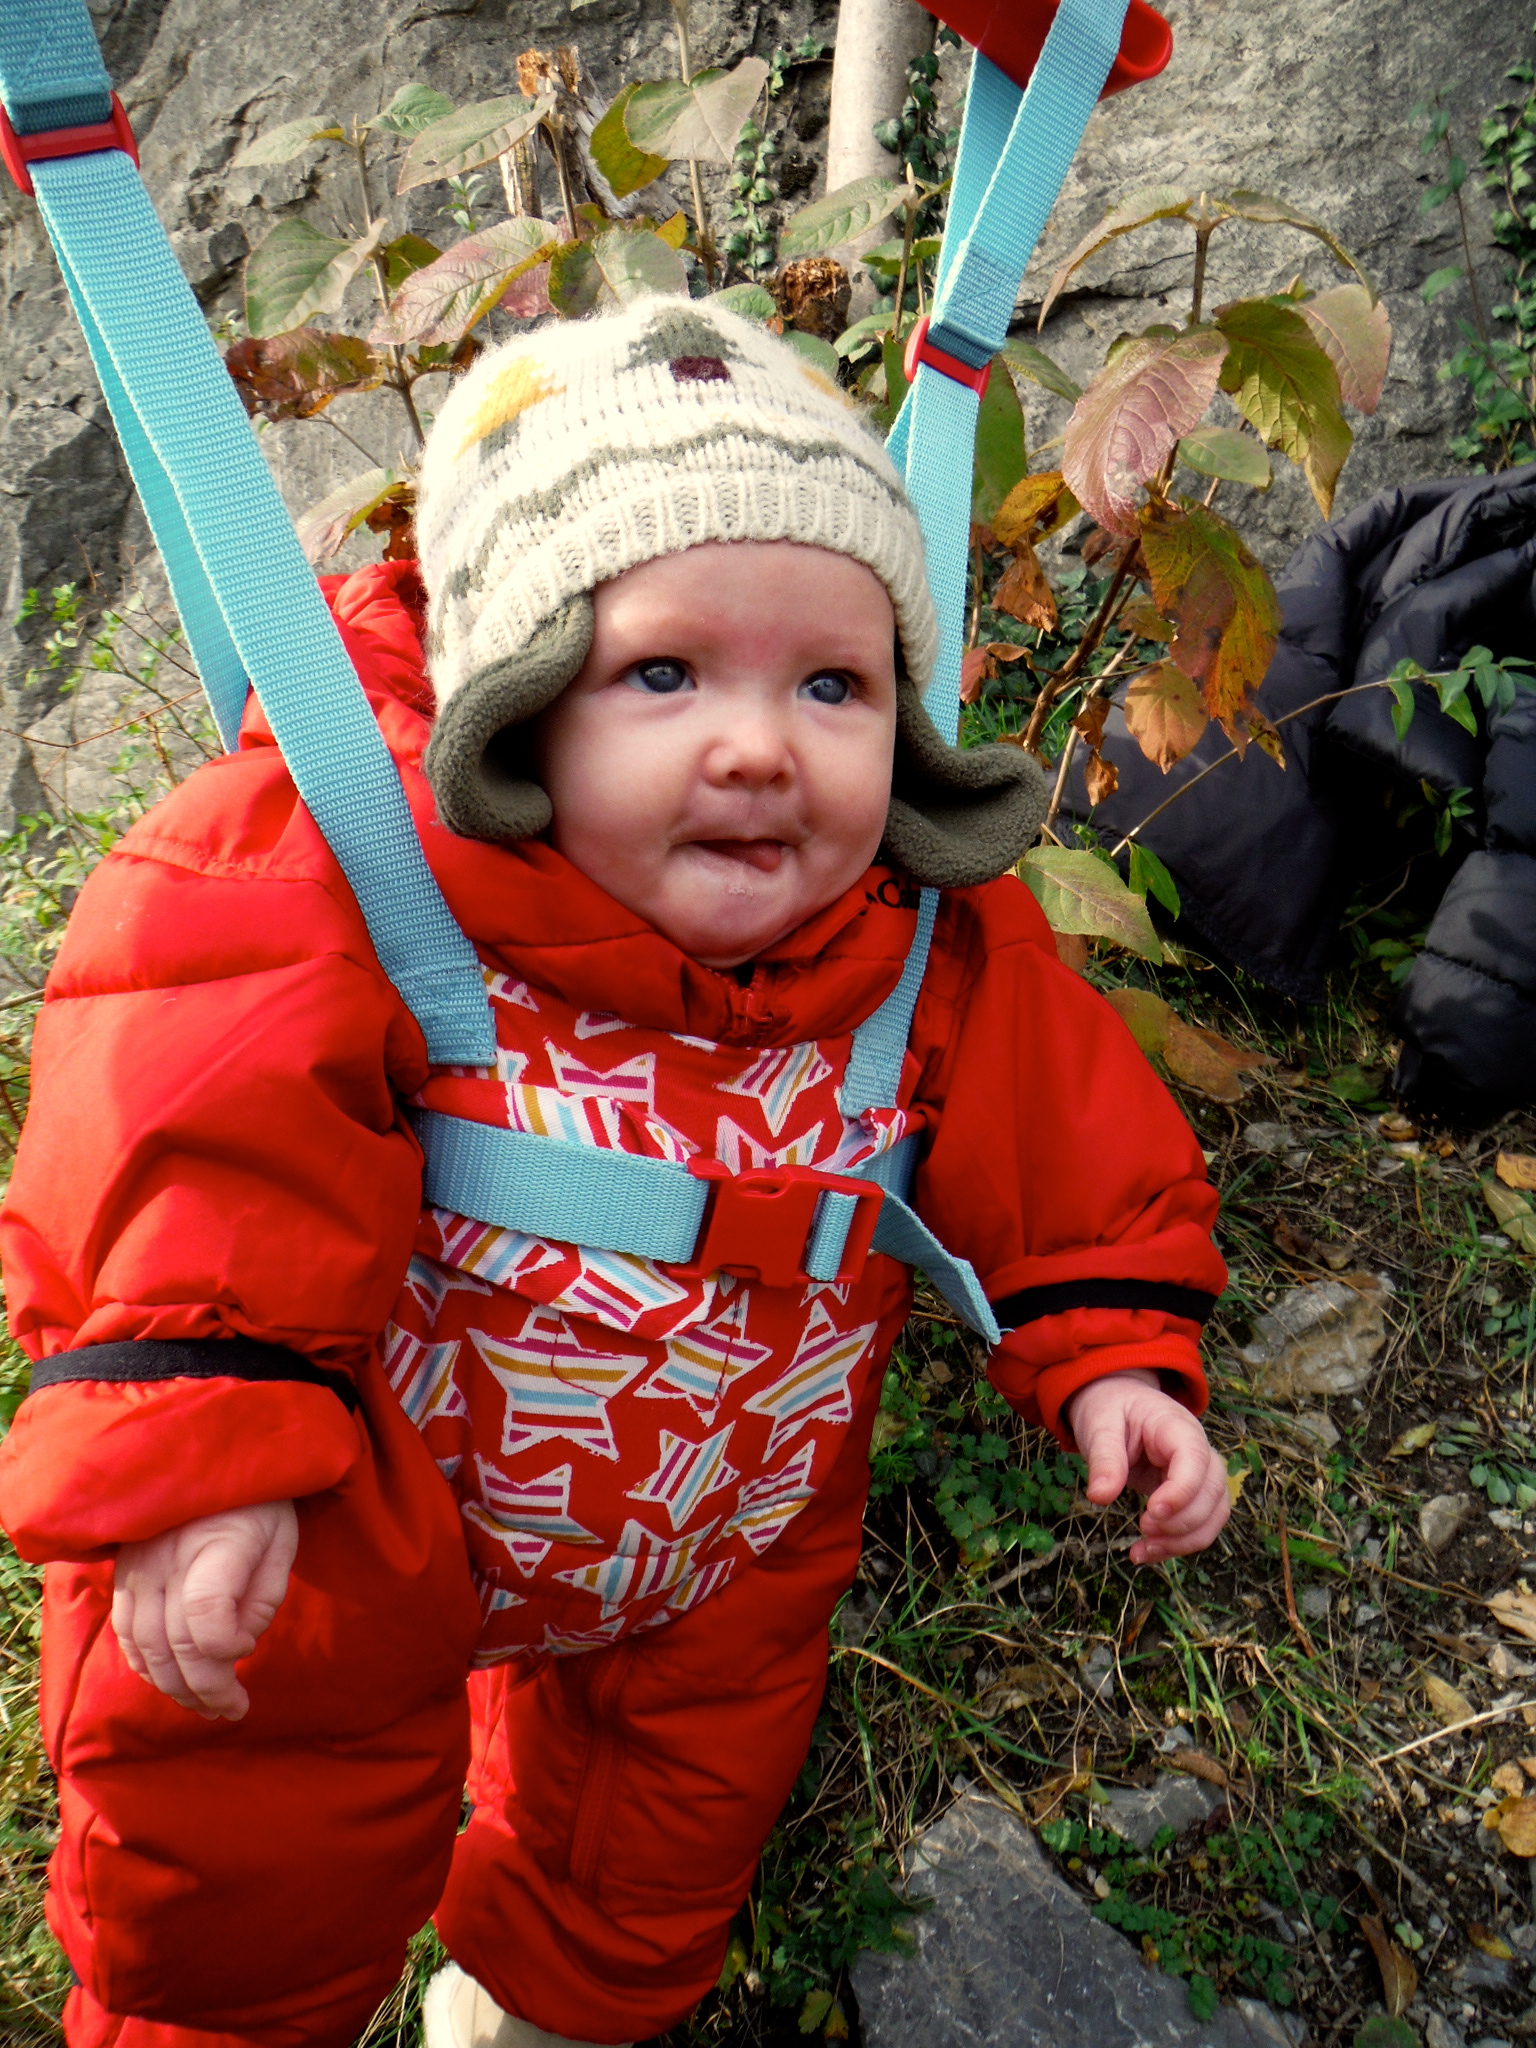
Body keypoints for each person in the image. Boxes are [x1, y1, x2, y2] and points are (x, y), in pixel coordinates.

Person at [0, 297, 1230, 2048]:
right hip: (353, 1514)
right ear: (518, 705)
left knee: (654, 1832)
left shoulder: (921, 941)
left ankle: (549, 2007)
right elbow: (192, 1113)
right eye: (664, 674)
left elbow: (1071, 1143)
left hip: (734, 1530)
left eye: (833, 685)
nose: (760, 745)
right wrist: (212, 1440)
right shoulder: (357, 875)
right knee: (241, 1831)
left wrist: (1112, 1353)